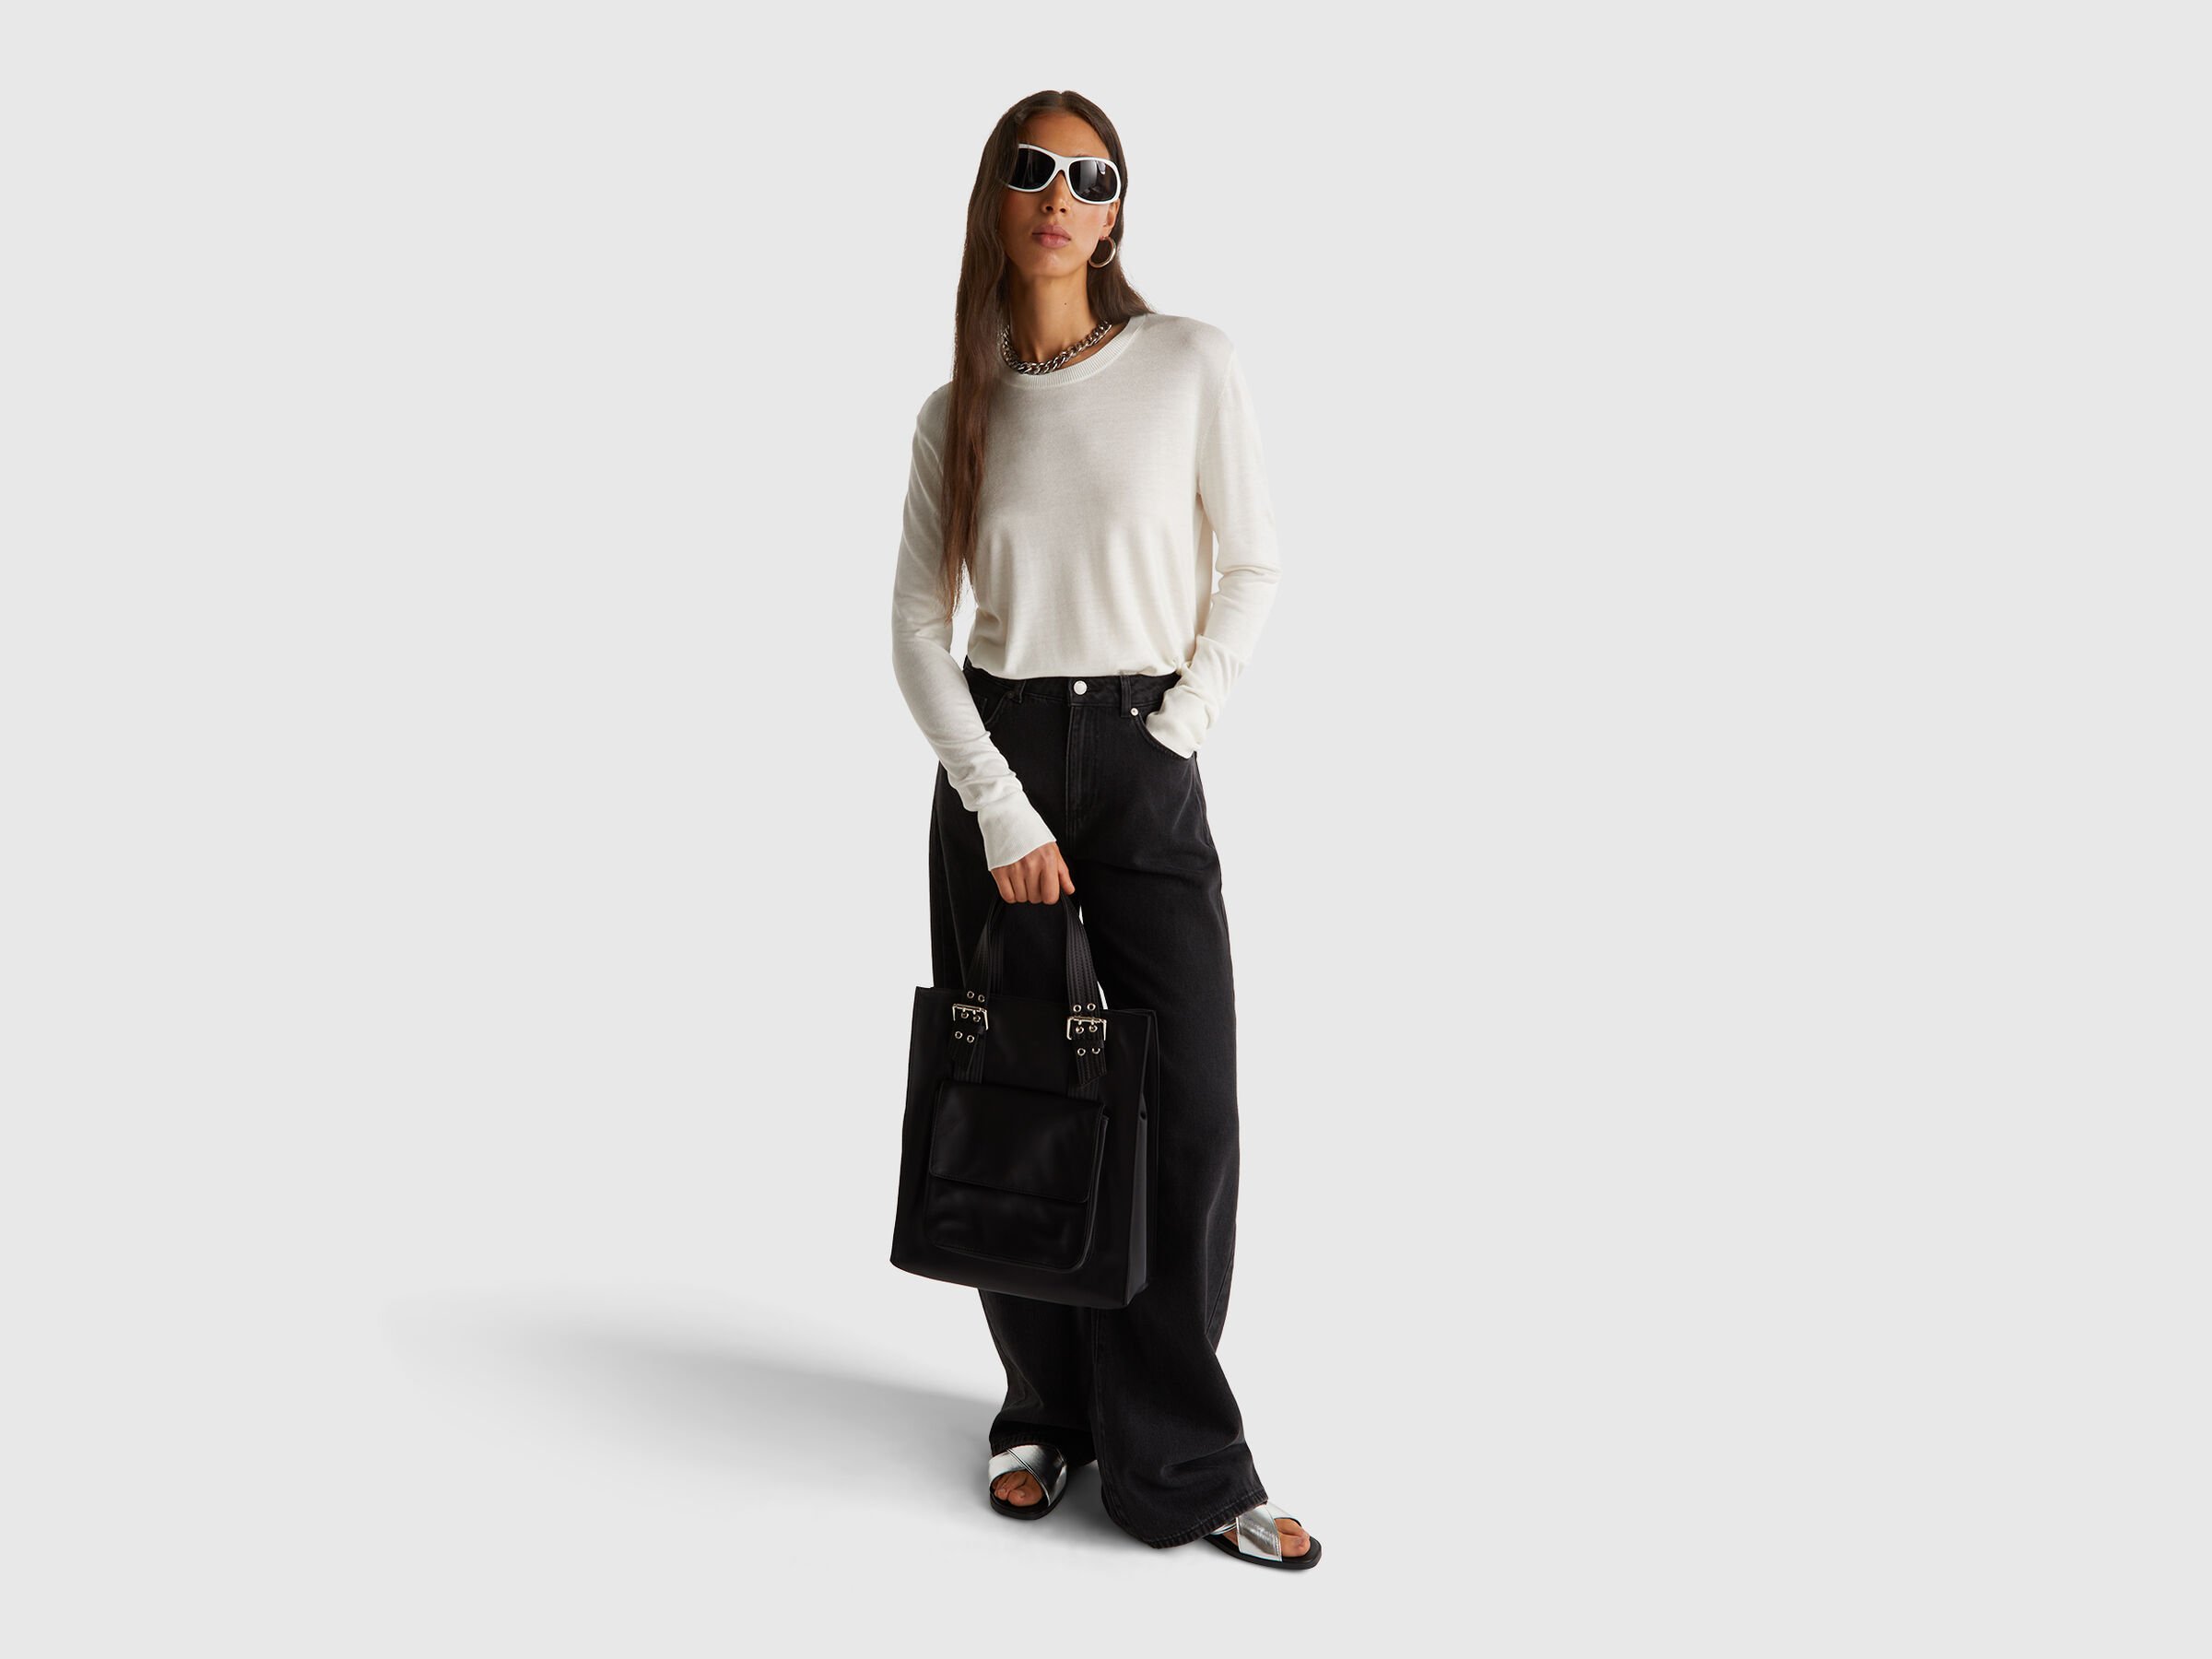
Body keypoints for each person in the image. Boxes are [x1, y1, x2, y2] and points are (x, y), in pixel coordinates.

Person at [888, 91, 1319, 1571]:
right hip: (997, 761)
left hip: (1141, 756)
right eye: (1035, 169)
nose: (1062, 195)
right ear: (996, 198)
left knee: (1186, 1114)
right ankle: (1043, 1408)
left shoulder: (1190, 362)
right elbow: (918, 630)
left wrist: (1174, 734)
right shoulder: (958, 411)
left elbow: (1254, 565)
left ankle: (1181, 1457)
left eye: (1093, 174)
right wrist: (1000, 803)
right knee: (1021, 1098)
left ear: (1119, 208)